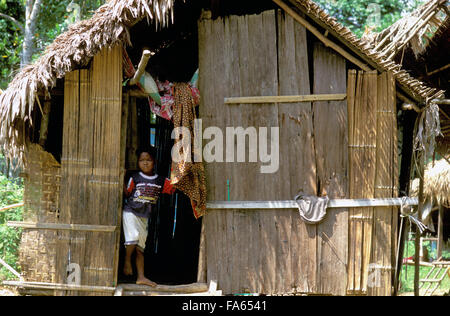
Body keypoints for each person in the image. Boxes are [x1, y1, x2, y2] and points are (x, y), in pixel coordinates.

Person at [122, 146, 175, 286]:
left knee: (140, 248)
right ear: (138, 162)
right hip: (131, 212)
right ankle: (127, 262)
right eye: (142, 160)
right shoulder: (135, 178)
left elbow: (174, 187)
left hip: (144, 217)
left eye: (148, 160)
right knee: (132, 237)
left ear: (154, 162)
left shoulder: (161, 180)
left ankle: (141, 277)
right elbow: (127, 193)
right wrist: (120, 177)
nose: (145, 163)